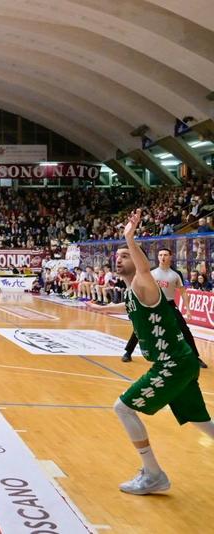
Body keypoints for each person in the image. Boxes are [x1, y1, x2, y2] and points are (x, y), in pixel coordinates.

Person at [88, 210, 214, 495]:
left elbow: (144, 269)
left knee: (123, 408)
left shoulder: (145, 281)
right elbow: (128, 307)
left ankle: (154, 474)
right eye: (117, 256)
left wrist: (129, 237)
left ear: (137, 258)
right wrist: (103, 308)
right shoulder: (134, 292)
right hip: (179, 361)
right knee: (199, 420)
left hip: (172, 363)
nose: (118, 259)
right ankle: (152, 474)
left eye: (125, 255)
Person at [120, 248, 207, 369]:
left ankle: (195, 357)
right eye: (160, 254)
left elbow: (183, 292)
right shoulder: (151, 272)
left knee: (184, 330)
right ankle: (128, 352)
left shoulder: (176, 274)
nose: (162, 257)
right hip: (152, 304)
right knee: (139, 329)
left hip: (169, 304)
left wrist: (187, 309)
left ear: (170, 257)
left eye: (165, 254)